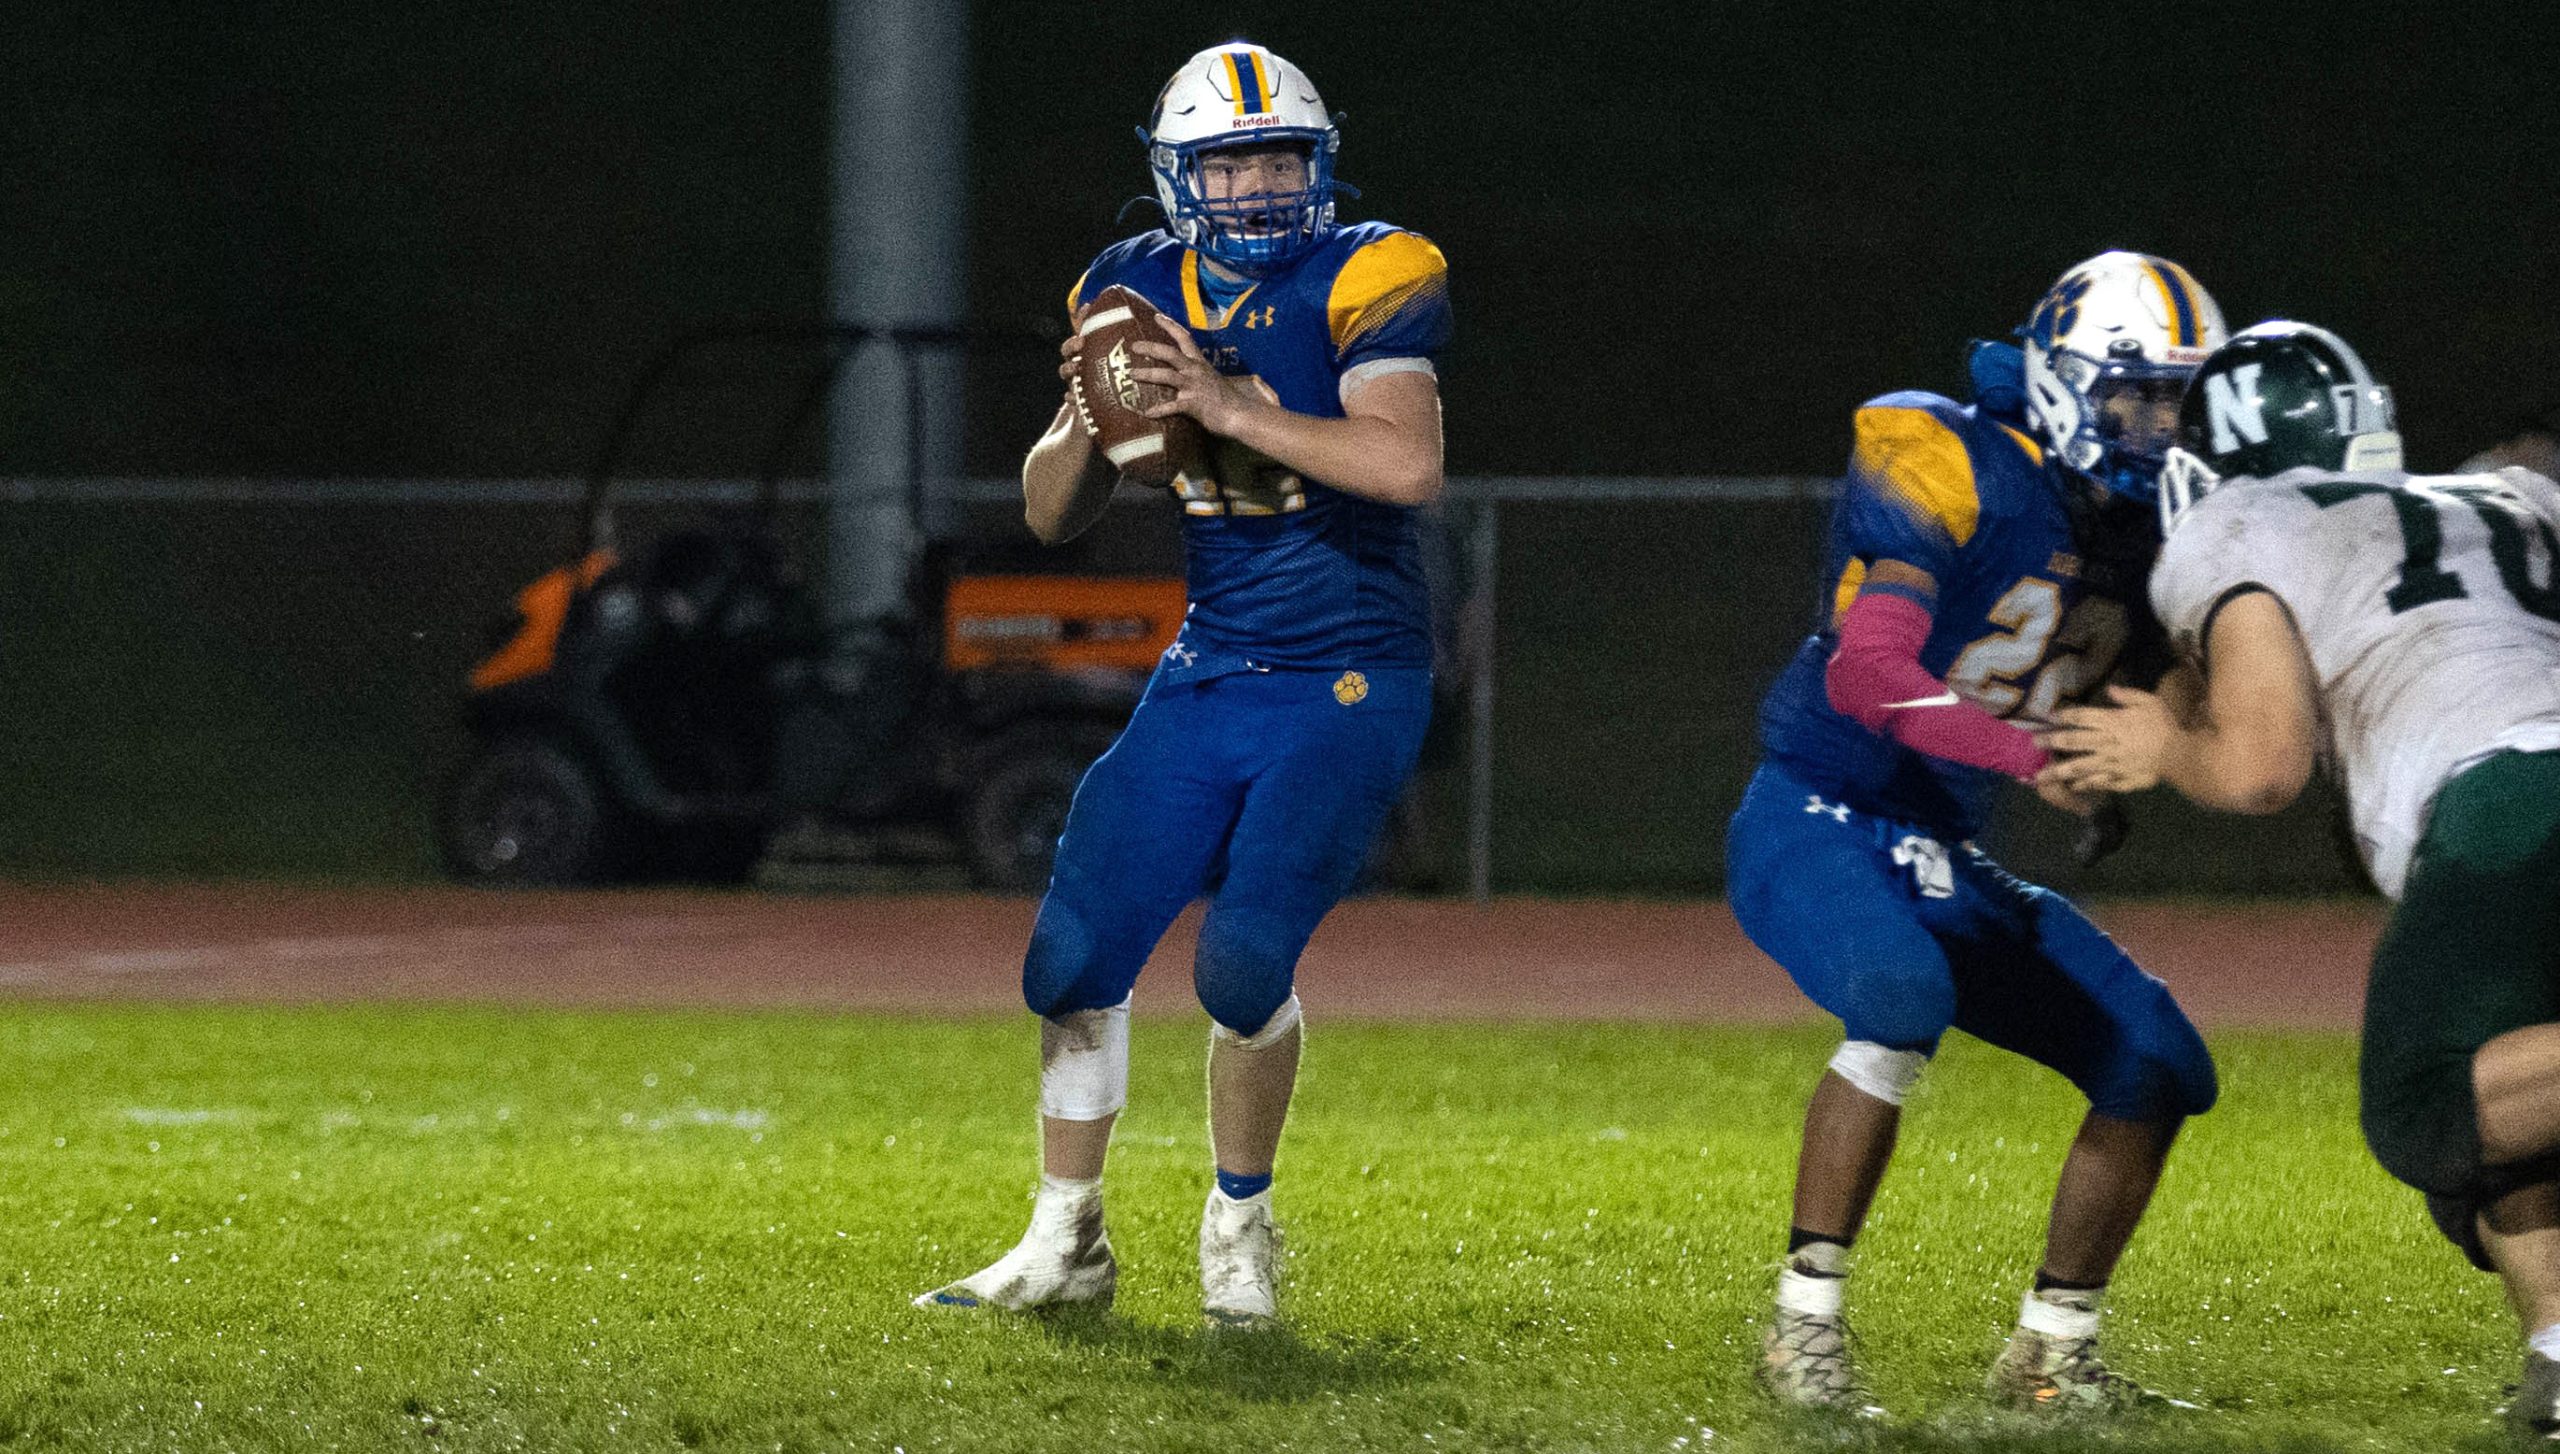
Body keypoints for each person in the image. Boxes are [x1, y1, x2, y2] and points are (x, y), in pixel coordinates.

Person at [912, 41, 1451, 1328]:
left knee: (1242, 965)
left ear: (1319, 166)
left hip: (1348, 674)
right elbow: (1050, 514)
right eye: (1228, 164)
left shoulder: (1369, 273)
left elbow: (1403, 465)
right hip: (1212, 663)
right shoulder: (1131, 288)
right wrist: (1086, 420)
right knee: (1071, 953)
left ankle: (1239, 1221)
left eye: (1278, 159)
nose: (1257, 187)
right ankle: (1065, 1241)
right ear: (1174, 178)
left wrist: (1223, 402)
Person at [2040, 320, 2560, 1442]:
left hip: (2509, 799)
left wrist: (2163, 750)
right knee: (2514, 1114)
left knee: (2426, 1105)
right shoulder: (2507, 498)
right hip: (2521, 778)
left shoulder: (2241, 519)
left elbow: (2262, 766)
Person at [1728, 252, 2225, 1413]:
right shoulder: (1950, 456)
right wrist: (2032, 757)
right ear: (2061, 381)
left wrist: (2129, 748)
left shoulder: (2155, 526)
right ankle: (1801, 1328)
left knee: (2156, 1058)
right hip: (1815, 810)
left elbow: (2149, 687)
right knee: (1899, 995)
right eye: (2135, 396)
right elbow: (1868, 672)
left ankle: (2050, 1355)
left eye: (2178, 403)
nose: (2157, 428)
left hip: (1942, 848)